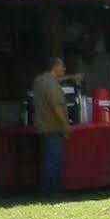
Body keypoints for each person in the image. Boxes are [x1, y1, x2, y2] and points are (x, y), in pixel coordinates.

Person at [31, 56, 70, 196]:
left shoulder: (39, 80)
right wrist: (65, 126)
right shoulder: (52, 84)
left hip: (42, 126)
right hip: (52, 126)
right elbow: (56, 106)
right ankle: (53, 190)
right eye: (62, 66)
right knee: (55, 159)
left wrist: (70, 77)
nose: (64, 69)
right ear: (55, 66)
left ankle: (48, 189)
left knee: (48, 158)